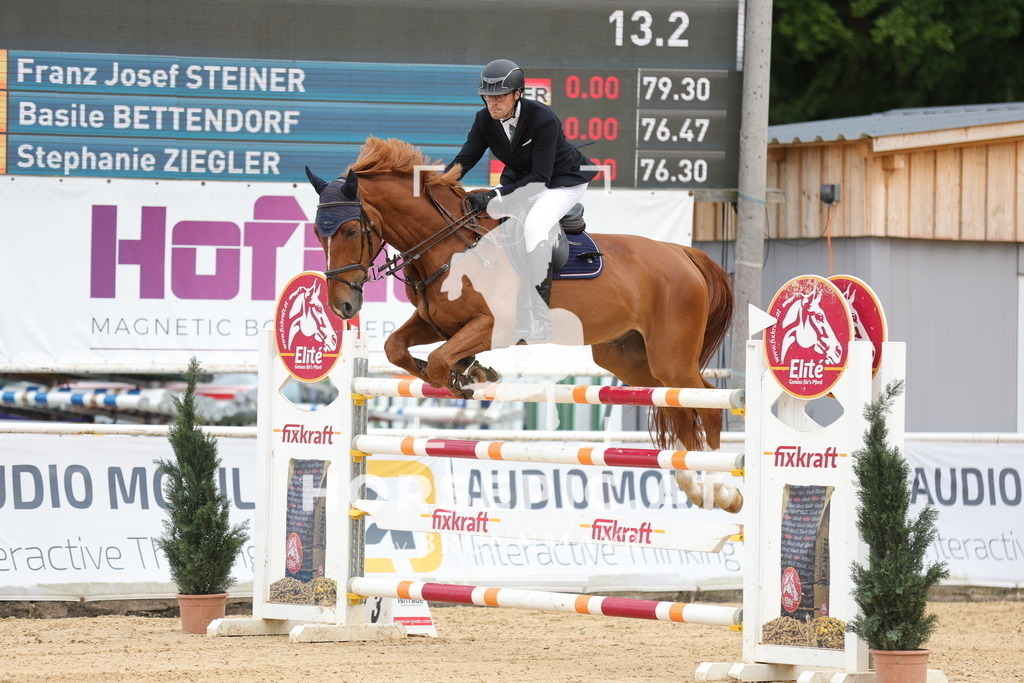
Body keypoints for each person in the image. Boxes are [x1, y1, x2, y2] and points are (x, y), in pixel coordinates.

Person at [444, 58, 597, 342]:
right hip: (523, 181)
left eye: (500, 96)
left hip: (562, 182)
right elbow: (464, 160)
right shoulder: (484, 120)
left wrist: (496, 195)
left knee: (535, 226)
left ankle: (539, 317)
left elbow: (540, 179)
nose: (492, 102)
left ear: (517, 94)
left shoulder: (543, 119)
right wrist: (438, 186)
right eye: (487, 96)